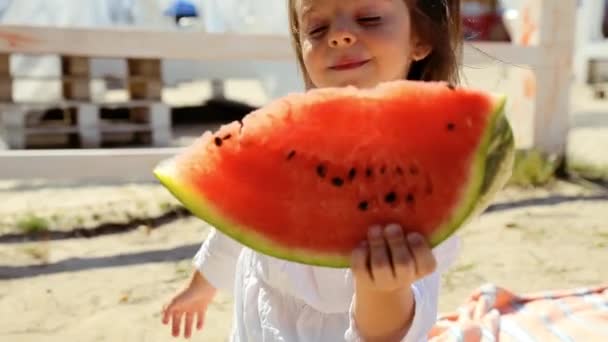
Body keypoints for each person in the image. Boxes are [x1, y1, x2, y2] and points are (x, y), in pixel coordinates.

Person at [162, 0, 463, 340]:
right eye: (317, 29)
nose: (339, 36)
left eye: (369, 18)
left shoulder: (427, 174)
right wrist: (202, 284)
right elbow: (242, 219)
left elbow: (395, 329)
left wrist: (385, 291)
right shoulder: (285, 140)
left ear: (420, 38)